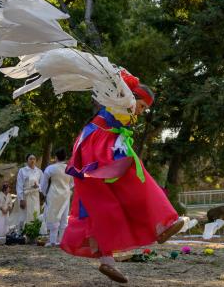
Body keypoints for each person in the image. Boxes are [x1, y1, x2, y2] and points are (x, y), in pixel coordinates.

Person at [62, 71, 183, 283]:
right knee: (137, 181)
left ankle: (107, 261)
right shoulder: (119, 104)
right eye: (142, 106)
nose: (142, 111)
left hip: (101, 144)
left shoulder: (122, 109)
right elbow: (120, 99)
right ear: (132, 97)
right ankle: (162, 223)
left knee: (105, 206)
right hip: (98, 144)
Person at [40, 148, 73, 247]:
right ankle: (61, 240)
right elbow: (72, 183)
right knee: (63, 216)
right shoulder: (69, 168)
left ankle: (52, 240)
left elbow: (44, 183)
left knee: (53, 215)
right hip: (66, 194)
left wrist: (45, 193)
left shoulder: (51, 168)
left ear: (56, 157)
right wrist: (66, 188)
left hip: (53, 194)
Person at [13, 154, 43, 230]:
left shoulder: (39, 171)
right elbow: (19, 185)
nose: (32, 160)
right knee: (24, 215)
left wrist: (38, 186)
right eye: (30, 159)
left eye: (34, 159)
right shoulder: (22, 171)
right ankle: (23, 232)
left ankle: (34, 231)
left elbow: (43, 184)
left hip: (35, 196)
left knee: (35, 213)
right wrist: (21, 199)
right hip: (25, 196)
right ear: (27, 160)